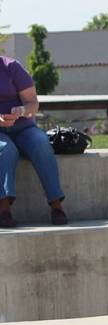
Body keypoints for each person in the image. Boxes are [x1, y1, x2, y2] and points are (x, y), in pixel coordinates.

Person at [0, 56, 68, 228]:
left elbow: (32, 104)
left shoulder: (11, 67)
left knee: (41, 143)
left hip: (23, 127)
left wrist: (21, 110)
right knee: (6, 150)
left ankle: (56, 205)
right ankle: (4, 210)